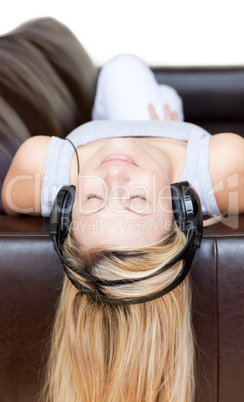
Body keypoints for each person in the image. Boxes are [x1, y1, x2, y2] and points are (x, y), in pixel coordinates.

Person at [2, 54, 244, 402]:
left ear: (66, 205)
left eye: (95, 197)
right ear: (179, 208)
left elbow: (13, 196)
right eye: (138, 200)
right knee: (132, 79)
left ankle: (160, 108)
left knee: (120, 68)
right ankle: (168, 112)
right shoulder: (220, 169)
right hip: (173, 132)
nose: (114, 175)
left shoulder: (46, 172)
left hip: (106, 121)